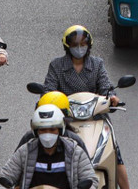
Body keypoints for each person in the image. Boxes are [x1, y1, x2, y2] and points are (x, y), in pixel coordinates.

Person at [43, 26, 129, 189]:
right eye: (75, 45)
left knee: (114, 153)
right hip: (66, 119)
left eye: (83, 44)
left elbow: (106, 86)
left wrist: (112, 97)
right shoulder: (56, 66)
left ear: (89, 45)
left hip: (95, 116)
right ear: (67, 46)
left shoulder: (97, 64)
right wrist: (47, 100)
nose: (79, 48)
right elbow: (48, 89)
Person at [0, 104, 96, 189]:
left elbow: (91, 180)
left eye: (52, 129)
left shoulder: (75, 152)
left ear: (60, 130)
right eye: (43, 130)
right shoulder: (25, 151)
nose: (47, 134)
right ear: (36, 131)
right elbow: (4, 177)